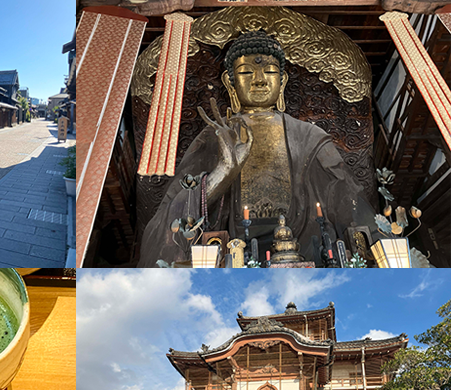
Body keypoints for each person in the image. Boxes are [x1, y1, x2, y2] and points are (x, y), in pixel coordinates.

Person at [138, 31, 377, 267]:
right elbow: (167, 220)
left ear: (282, 81)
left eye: (270, 72)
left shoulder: (309, 137)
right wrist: (222, 174)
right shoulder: (213, 137)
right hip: (230, 253)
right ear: (229, 83)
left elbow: (351, 205)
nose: (260, 80)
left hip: (307, 251)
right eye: (246, 72)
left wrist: (374, 248)